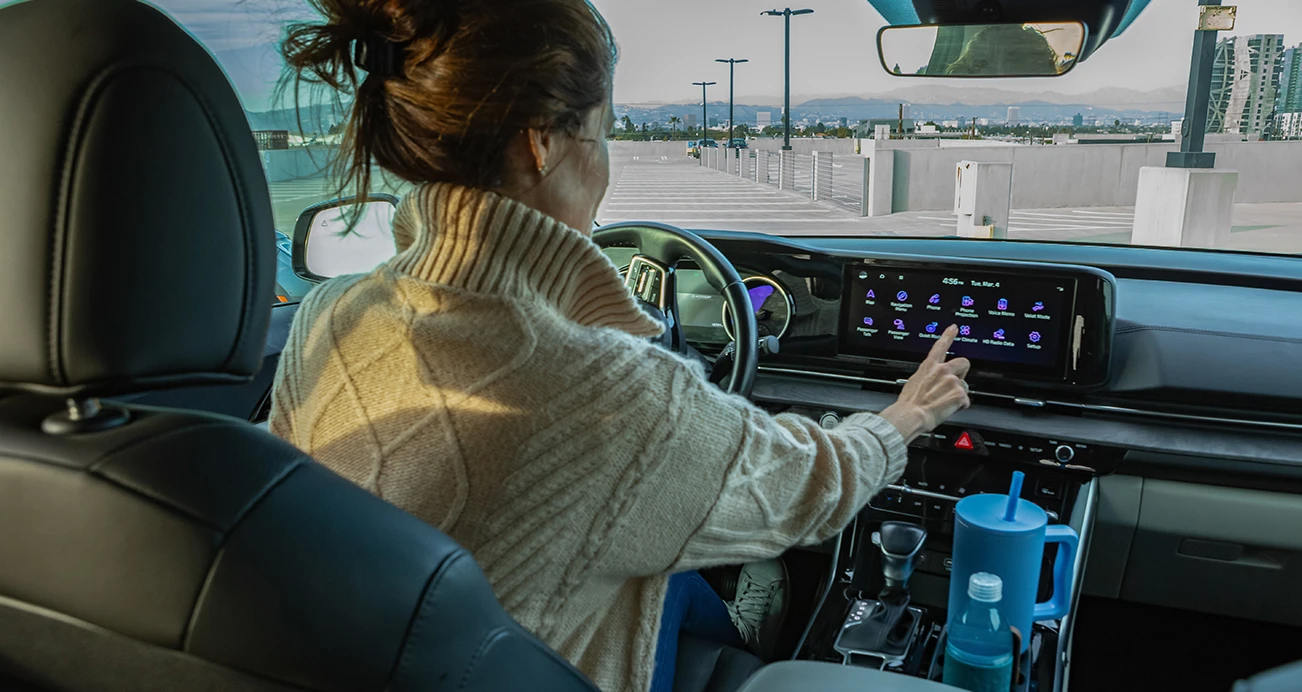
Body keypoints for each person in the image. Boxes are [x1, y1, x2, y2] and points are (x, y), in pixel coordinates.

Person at [267, 1, 971, 691]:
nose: (604, 168)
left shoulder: (330, 315)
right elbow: (805, 488)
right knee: (667, 565)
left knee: (650, 550)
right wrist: (903, 419)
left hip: (388, 653)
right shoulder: (611, 392)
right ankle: (752, 626)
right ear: (540, 142)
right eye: (601, 135)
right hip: (538, 663)